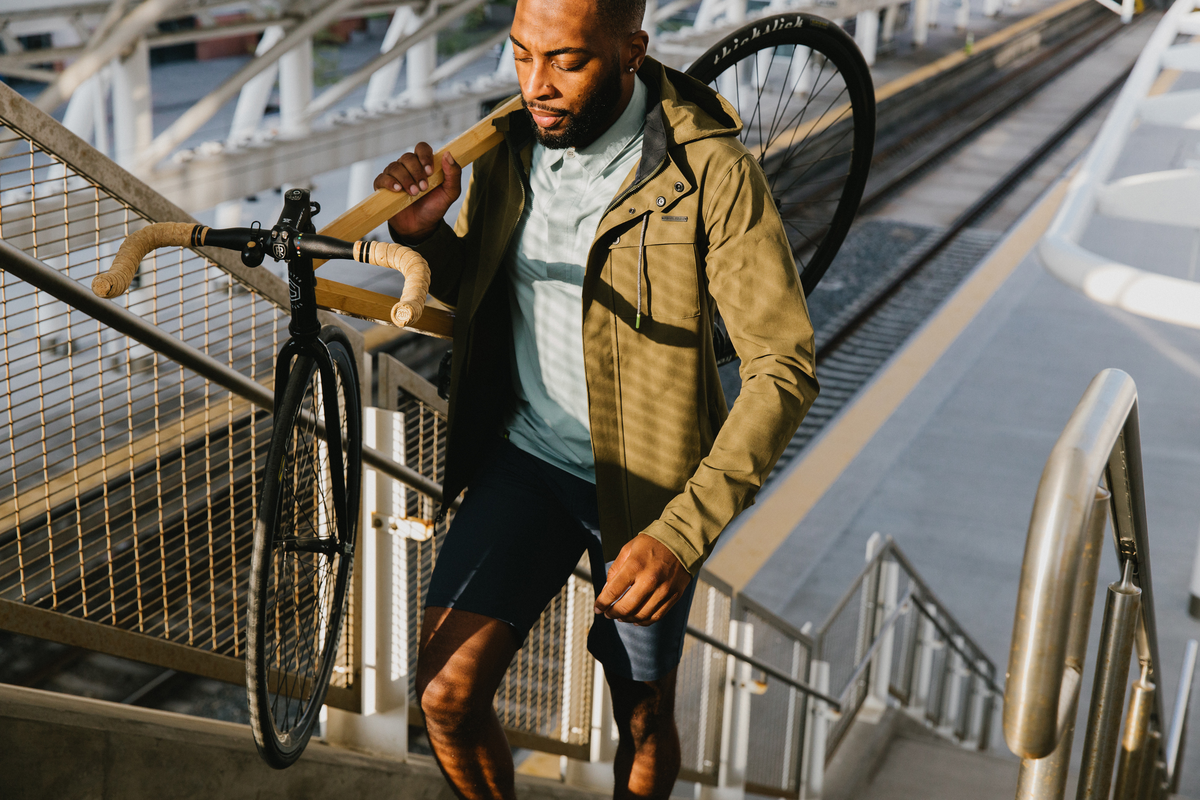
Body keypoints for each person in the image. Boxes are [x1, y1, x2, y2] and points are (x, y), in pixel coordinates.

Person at [374, 0, 818, 797]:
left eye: (565, 62)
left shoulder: (711, 174)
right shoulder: (513, 143)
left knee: (643, 718)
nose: (534, 86)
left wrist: (681, 535)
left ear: (631, 52)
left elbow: (783, 367)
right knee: (444, 699)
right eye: (520, 56)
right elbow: (486, 287)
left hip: (649, 493)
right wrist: (428, 235)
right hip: (526, 462)